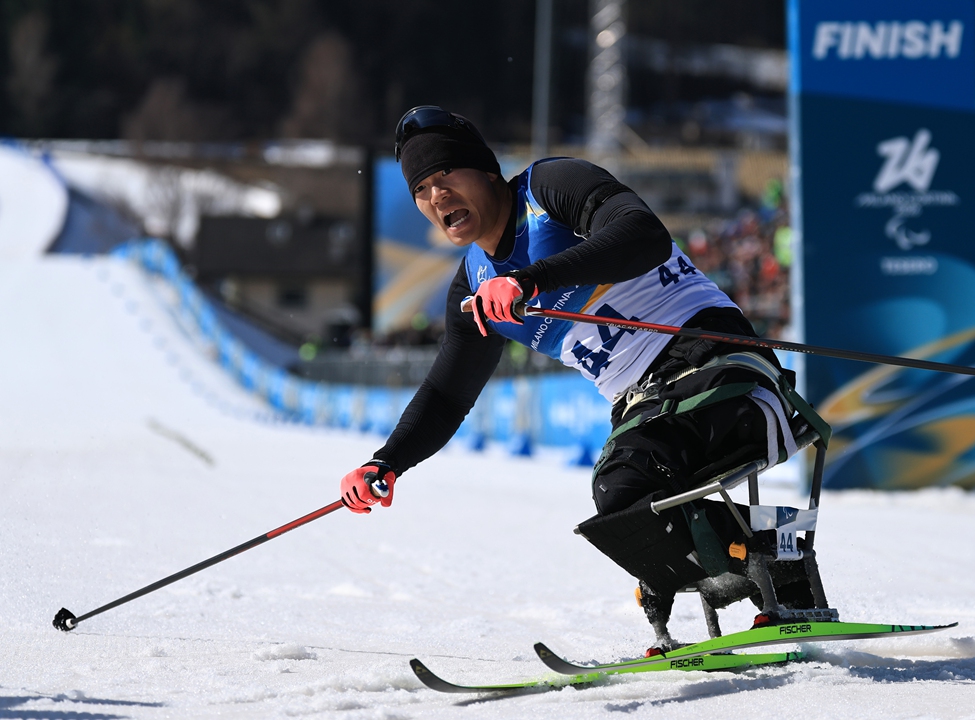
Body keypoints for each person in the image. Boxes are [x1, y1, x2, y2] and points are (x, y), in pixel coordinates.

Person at [338, 106, 823, 652]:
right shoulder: (474, 286)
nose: (437, 195)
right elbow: (447, 394)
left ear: (488, 171)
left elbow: (644, 235)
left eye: (446, 173)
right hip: (646, 404)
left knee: (627, 484)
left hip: (718, 362)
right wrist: (386, 461)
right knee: (621, 499)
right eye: (421, 189)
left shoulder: (550, 186)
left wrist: (530, 280)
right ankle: (759, 563)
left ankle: (781, 562)